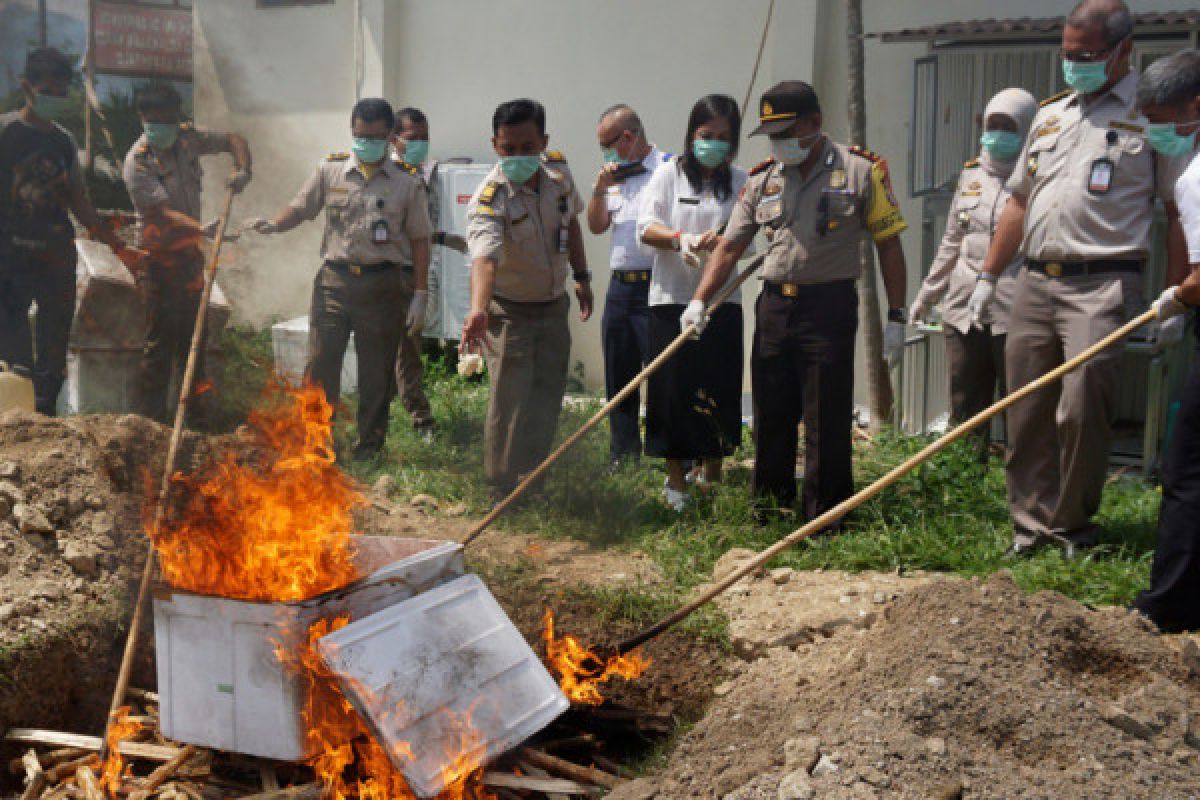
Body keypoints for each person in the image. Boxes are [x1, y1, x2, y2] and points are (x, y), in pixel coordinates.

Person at [970, 0, 1188, 557]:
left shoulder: (1151, 116)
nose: (1075, 65)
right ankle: (1029, 525)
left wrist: (1178, 295)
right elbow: (1019, 201)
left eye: (1087, 55)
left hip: (1103, 281)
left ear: (1123, 51)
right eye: (1068, 54)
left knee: (1082, 409)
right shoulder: (1051, 114)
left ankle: (1071, 526)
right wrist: (989, 275)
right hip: (1034, 282)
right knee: (1027, 406)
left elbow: (1177, 208)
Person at [688, 81, 908, 525]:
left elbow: (888, 243)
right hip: (774, 308)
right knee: (771, 412)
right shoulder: (763, 178)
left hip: (827, 307)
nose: (780, 142)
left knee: (825, 415)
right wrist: (698, 302)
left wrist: (897, 315)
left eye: (788, 131)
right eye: (773, 135)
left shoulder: (862, 171)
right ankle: (769, 511)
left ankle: (825, 517)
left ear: (815, 123)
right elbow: (730, 246)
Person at [247, 98, 432, 461]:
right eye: (361, 136)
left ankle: (370, 446)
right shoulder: (331, 171)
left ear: (390, 136)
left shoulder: (406, 183)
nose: (368, 144)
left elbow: (420, 240)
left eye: (376, 137)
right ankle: (315, 442)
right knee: (320, 364)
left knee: (376, 372)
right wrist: (274, 223)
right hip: (335, 281)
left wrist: (420, 294)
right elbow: (301, 207)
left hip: (382, 285)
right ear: (352, 131)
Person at [460, 99, 592, 500]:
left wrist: (583, 276)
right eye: (508, 148)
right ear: (495, 145)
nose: (517, 156)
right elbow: (484, 261)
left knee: (547, 392)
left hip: (553, 305)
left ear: (543, 142)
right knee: (510, 399)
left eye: (526, 146)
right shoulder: (490, 197)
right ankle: (500, 485)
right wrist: (479, 310)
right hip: (510, 310)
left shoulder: (558, 171)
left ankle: (534, 478)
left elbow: (571, 224)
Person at [0, 48, 135, 415]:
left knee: (54, 342)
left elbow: (78, 198)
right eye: (48, 92)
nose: (55, 100)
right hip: (10, 258)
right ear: (27, 87)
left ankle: (44, 415)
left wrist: (113, 242)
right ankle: (16, 415)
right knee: (11, 343)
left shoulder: (63, 141)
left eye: (61, 93)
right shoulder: (5, 131)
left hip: (55, 257)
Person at [909, 88, 1037, 458]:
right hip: (964, 304)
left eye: (1007, 126)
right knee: (965, 398)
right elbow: (951, 242)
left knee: (1019, 400)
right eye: (991, 125)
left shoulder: (1039, 176)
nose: (996, 134)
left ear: (1027, 130)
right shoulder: (971, 175)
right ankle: (967, 481)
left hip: (1014, 304)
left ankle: (1022, 484)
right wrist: (927, 294)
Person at [638, 94, 748, 512]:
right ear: (691, 135)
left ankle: (712, 473)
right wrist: (680, 240)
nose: (714, 145)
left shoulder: (741, 182)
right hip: (671, 298)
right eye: (706, 136)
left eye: (723, 137)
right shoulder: (668, 175)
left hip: (721, 303)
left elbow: (744, 238)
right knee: (671, 389)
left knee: (717, 384)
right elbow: (645, 227)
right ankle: (676, 480)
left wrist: (722, 244)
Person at [123, 83, 253, 424]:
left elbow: (234, 140)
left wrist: (243, 170)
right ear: (142, 118)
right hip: (157, 261)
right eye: (153, 121)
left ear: (176, 118)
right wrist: (199, 228)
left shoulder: (187, 139)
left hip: (189, 259)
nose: (160, 127)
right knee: (158, 343)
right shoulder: (137, 163)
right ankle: (151, 422)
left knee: (194, 338)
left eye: (167, 120)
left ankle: (193, 418)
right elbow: (161, 214)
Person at [1132, 49, 1200, 632]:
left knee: (1187, 472)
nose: (1156, 131)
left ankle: (1170, 604)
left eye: (1161, 117)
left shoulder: (1198, 174)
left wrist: (1177, 295)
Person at [587, 104, 670, 467]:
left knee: (663, 372)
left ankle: (667, 452)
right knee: (619, 373)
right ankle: (623, 452)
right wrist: (599, 191)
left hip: (657, 286)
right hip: (620, 288)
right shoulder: (613, 175)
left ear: (628, 137)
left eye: (608, 143)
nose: (604, 152)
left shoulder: (669, 169)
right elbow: (596, 225)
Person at [387, 106, 458, 440]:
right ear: (394, 139)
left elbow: (422, 228)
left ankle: (413, 415)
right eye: (412, 138)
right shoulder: (386, 177)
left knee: (409, 346)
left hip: (417, 271)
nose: (420, 144)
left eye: (424, 138)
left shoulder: (426, 175)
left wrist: (447, 239)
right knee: (402, 349)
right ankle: (418, 418)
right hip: (390, 271)